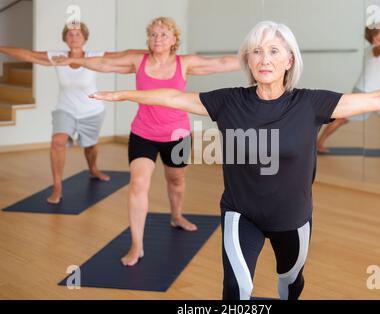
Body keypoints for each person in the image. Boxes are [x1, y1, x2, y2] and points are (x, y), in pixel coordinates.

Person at [90, 21, 380, 300]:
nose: (265, 59)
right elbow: (172, 96)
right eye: (258, 51)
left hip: (292, 219)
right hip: (239, 213)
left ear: (289, 60)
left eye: (275, 51)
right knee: (237, 291)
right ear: (249, 59)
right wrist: (123, 93)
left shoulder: (310, 104)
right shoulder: (229, 101)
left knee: (291, 284)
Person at [52, 17, 241, 266]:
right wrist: (73, 60)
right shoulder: (138, 60)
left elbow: (221, 62)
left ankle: (176, 215)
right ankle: (137, 245)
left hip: (176, 134)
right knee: (138, 184)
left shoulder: (184, 63)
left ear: (174, 39)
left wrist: (258, 57)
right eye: (153, 34)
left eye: (163, 34)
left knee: (176, 181)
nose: (157, 39)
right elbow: (105, 63)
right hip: (143, 133)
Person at [0, 22, 144, 204]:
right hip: (65, 110)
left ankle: (93, 169)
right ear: (64, 38)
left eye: (78, 34)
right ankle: (57, 187)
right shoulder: (57, 58)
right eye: (70, 34)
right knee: (57, 142)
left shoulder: (96, 56)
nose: (74, 37)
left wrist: (155, 51)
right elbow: (27, 54)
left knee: (90, 146)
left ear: (85, 37)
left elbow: (125, 54)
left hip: (92, 111)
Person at [317, 23, 380, 154]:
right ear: (375, 36)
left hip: (377, 94)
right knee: (342, 119)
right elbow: (378, 50)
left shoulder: (375, 51)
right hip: (365, 92)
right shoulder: (372, 50)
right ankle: (318, 144)